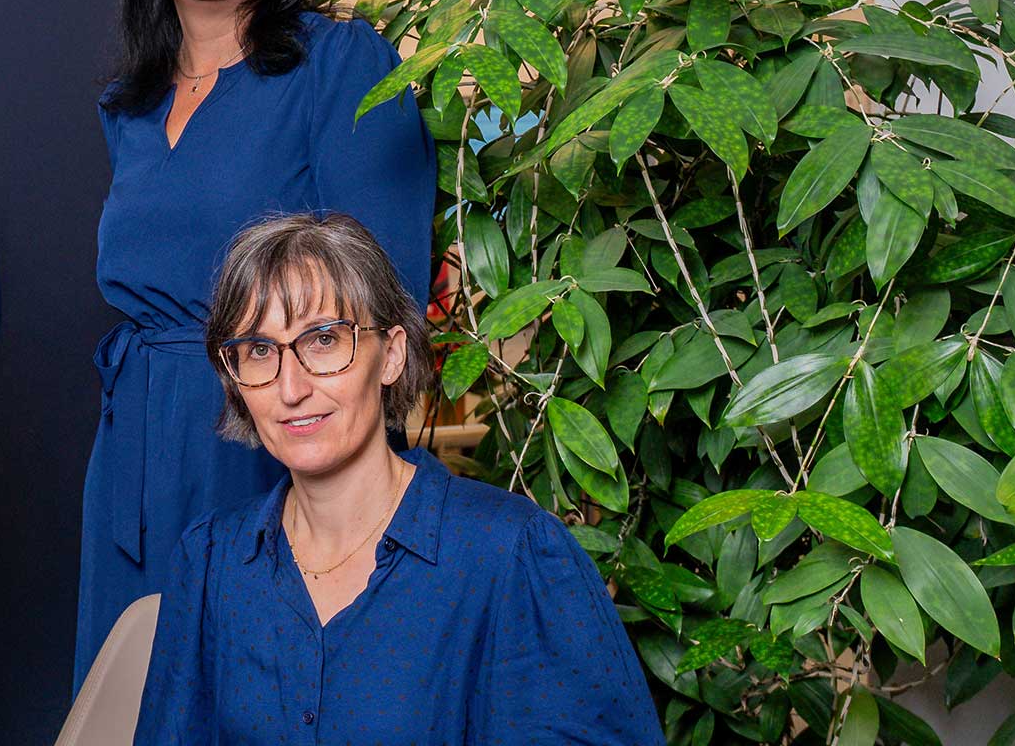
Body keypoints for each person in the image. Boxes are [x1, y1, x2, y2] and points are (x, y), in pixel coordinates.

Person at [79, 0, 436, 687]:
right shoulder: (129, 106)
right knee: (134, 699)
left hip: (268, 439)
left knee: (263, 693)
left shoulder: (341, 63)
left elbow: (385, 301)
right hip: (134, 452)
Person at [135, 214, 662, 744]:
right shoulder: (210, 562)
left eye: (323, 340)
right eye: (259, 350)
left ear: (391, 355)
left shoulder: (510, 554)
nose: (290, 389)